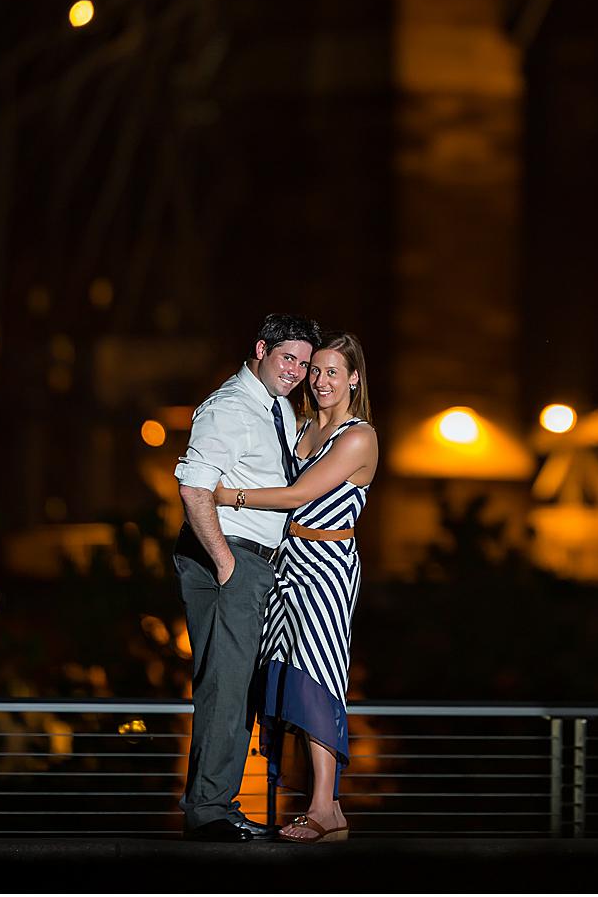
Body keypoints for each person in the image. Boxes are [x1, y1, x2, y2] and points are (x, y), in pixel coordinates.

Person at [213, 331, 377, 843]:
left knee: (318, 681)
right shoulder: (302, 425)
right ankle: (299, 805)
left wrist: (225, 494)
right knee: (283, 682)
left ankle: (327, 809)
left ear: (353, 377)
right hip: (287, 561)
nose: (321, 380)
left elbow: (298, 493)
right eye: (316, 370)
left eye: (334, 372)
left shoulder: (358, 436)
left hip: (327, 565)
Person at [172, 312, 322, 841]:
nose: (297, 371)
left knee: (239, 689)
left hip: (252, 559)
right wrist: (228, 565)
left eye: (305, 363)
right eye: (289, 358)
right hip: (229, 556)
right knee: (226, 686)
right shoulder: (231, 408)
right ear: (261, 349)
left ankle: (219, 803)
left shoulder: (274, 405)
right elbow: (194, 488)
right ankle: (209, 810)